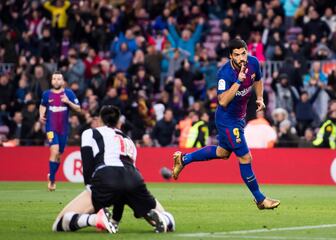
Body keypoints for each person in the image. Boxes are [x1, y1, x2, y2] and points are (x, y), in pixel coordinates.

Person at [172, 39, 280, 210]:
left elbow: (257, 79)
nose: (241, 57)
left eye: (243, 53)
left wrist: (259, 97)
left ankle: (183, 159)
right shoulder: (225, 74)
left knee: (222, 152)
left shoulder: (253, 62)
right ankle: (260, 199)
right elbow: (222, 101)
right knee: (245, 157)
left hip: (239, 118)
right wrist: (238, 81)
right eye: (236, 55)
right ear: (231, 56)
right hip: (227, 120)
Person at [52, 105, 175, 233]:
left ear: (99, 120)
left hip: (106, 175)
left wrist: (91, 189)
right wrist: (115, 220)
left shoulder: (90, 132)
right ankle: (165, 220)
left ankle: (94, 219)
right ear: (119, 123)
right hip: (134, 178)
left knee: (59, 224)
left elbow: (87, 163)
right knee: (165, 216)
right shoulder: (129, 141)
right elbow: (121, 188)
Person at [39, 71, 81, 191]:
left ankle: (51, 175)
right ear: (51, 81)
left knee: (59, 154)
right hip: (51, 127)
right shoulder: (46, 94)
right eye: (54, 79)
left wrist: (68, 102)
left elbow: (79, 109)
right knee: (54, 149)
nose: (56, 81)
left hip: (63, 129)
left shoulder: (69, 93)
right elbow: (42, 105)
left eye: (58, 79)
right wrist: (41, 114)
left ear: (63, 81)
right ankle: (52, 180)